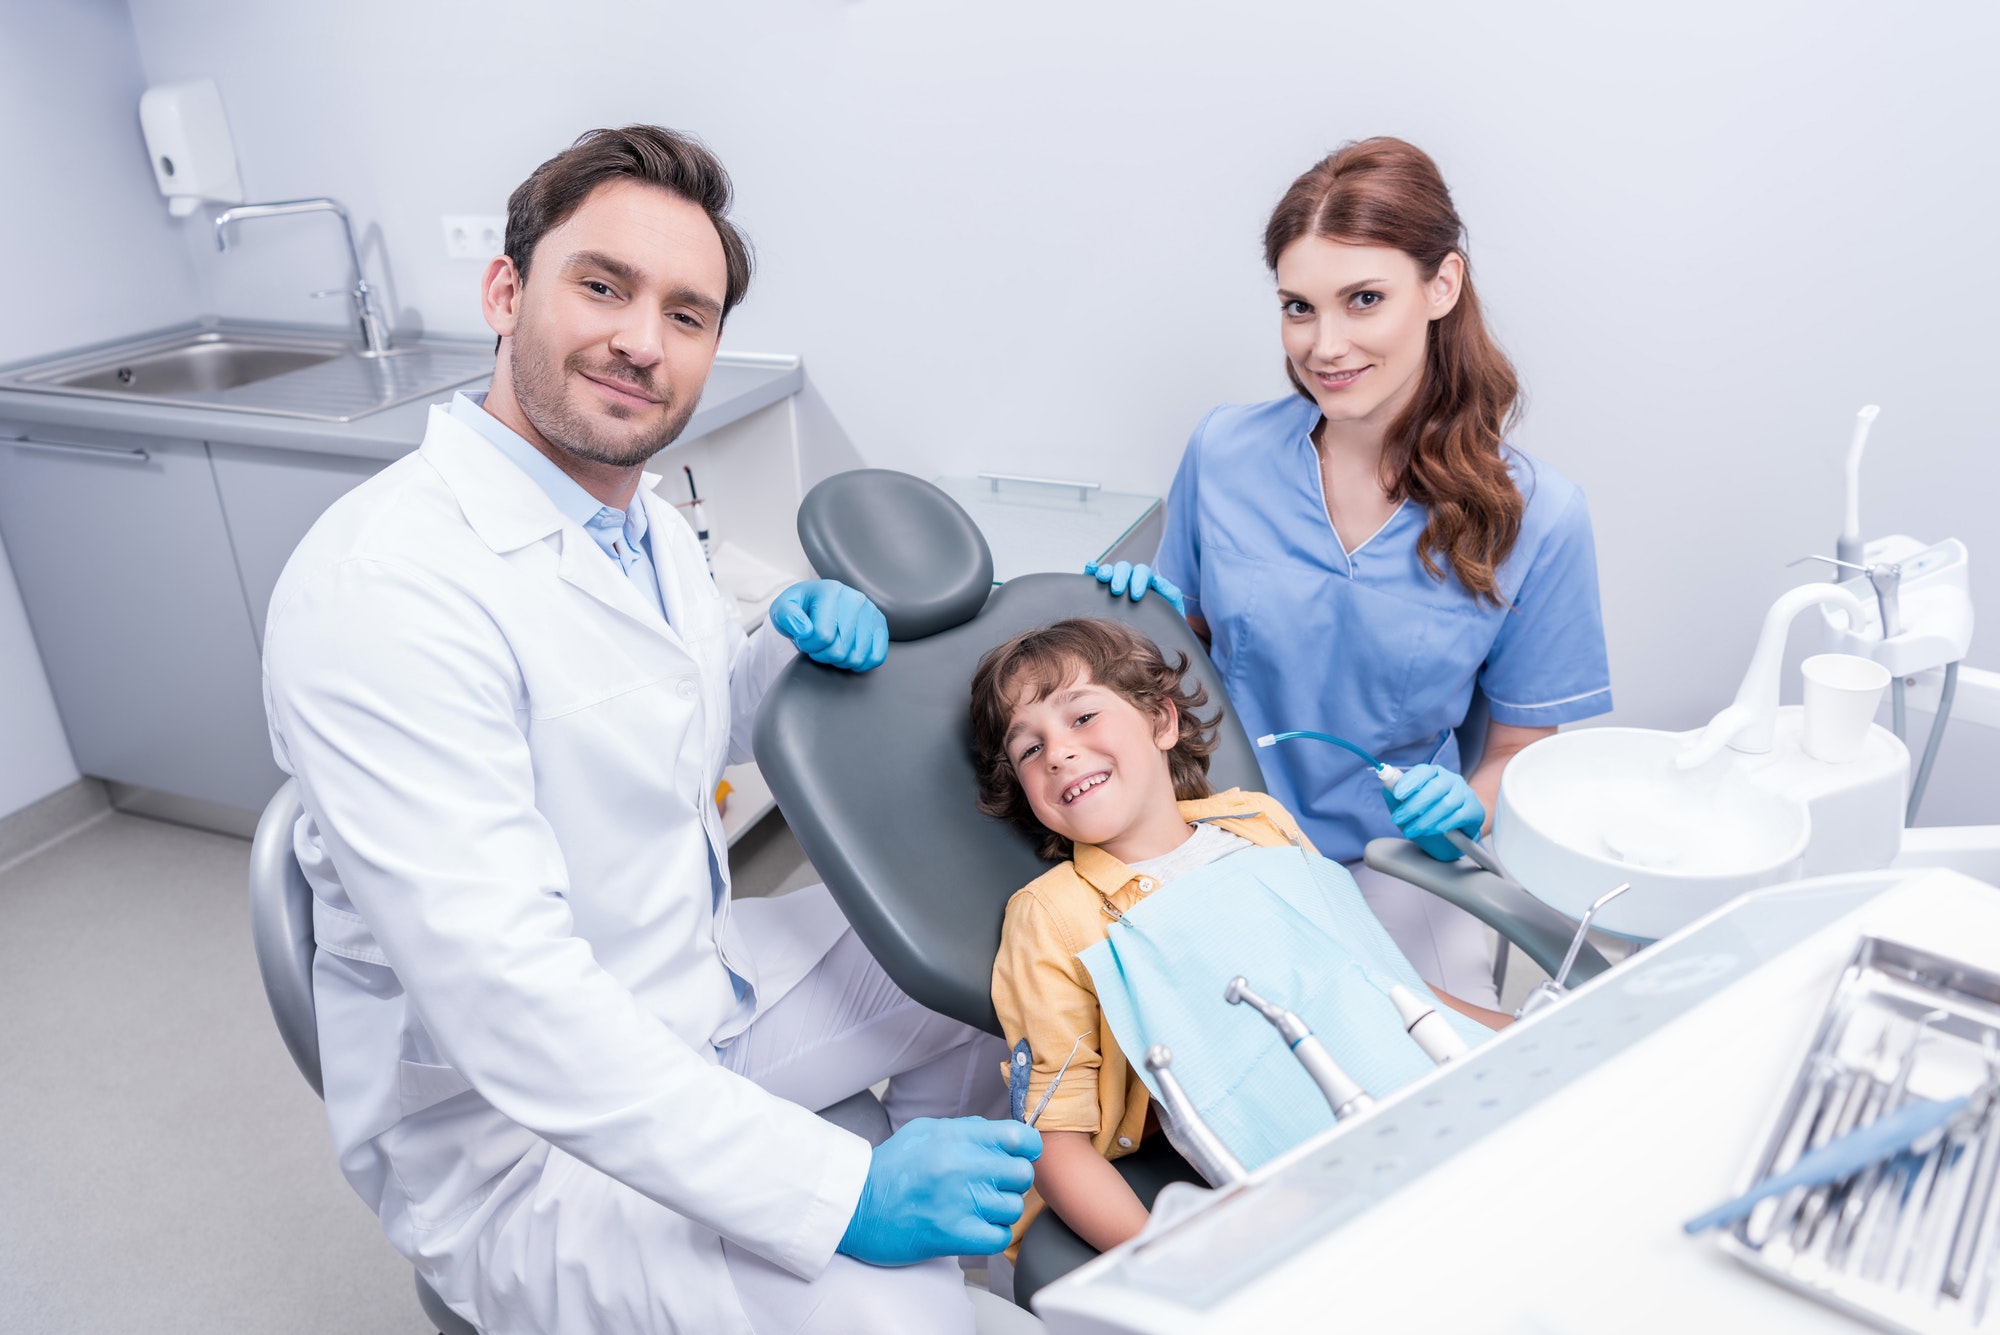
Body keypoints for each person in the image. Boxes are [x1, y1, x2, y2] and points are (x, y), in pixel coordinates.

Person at [262, 126, 1038, 1335]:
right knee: (903, 1325)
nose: (642, 340)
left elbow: (675, 721)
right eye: (603, 286)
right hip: (521, 1152)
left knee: (997, 942)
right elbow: (514, 1006)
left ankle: (936, 1200)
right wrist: (839, 1196)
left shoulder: (646, 524)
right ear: (506, 289)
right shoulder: (384, 588)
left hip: (695, 1006)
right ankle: (896, 1256)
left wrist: (779, 648)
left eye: (688, 313)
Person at [1091, 137, 1612, 1009]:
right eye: (1299, 307)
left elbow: (1522, 748)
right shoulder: (1224, 453)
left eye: (1363, 299)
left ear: (1441, 285)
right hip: (1211, 836)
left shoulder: (1539, 517)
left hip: (1396, 866)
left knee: (1432, 1081)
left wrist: (1469, 804)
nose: (1324, 345)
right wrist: (1125, 621)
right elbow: (1180, 647)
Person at [973, 618, 1508, 1255]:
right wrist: (1166, 1257)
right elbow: (1055, 1141)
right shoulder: (1054, 913)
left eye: (1081, 717)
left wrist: (1530, 1029)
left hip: (1426, 1082)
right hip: (1301, 1162)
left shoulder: (1258, 820)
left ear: (1162, 723)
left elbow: (1380, 983)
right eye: (1028, 749)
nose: (1056, 751)